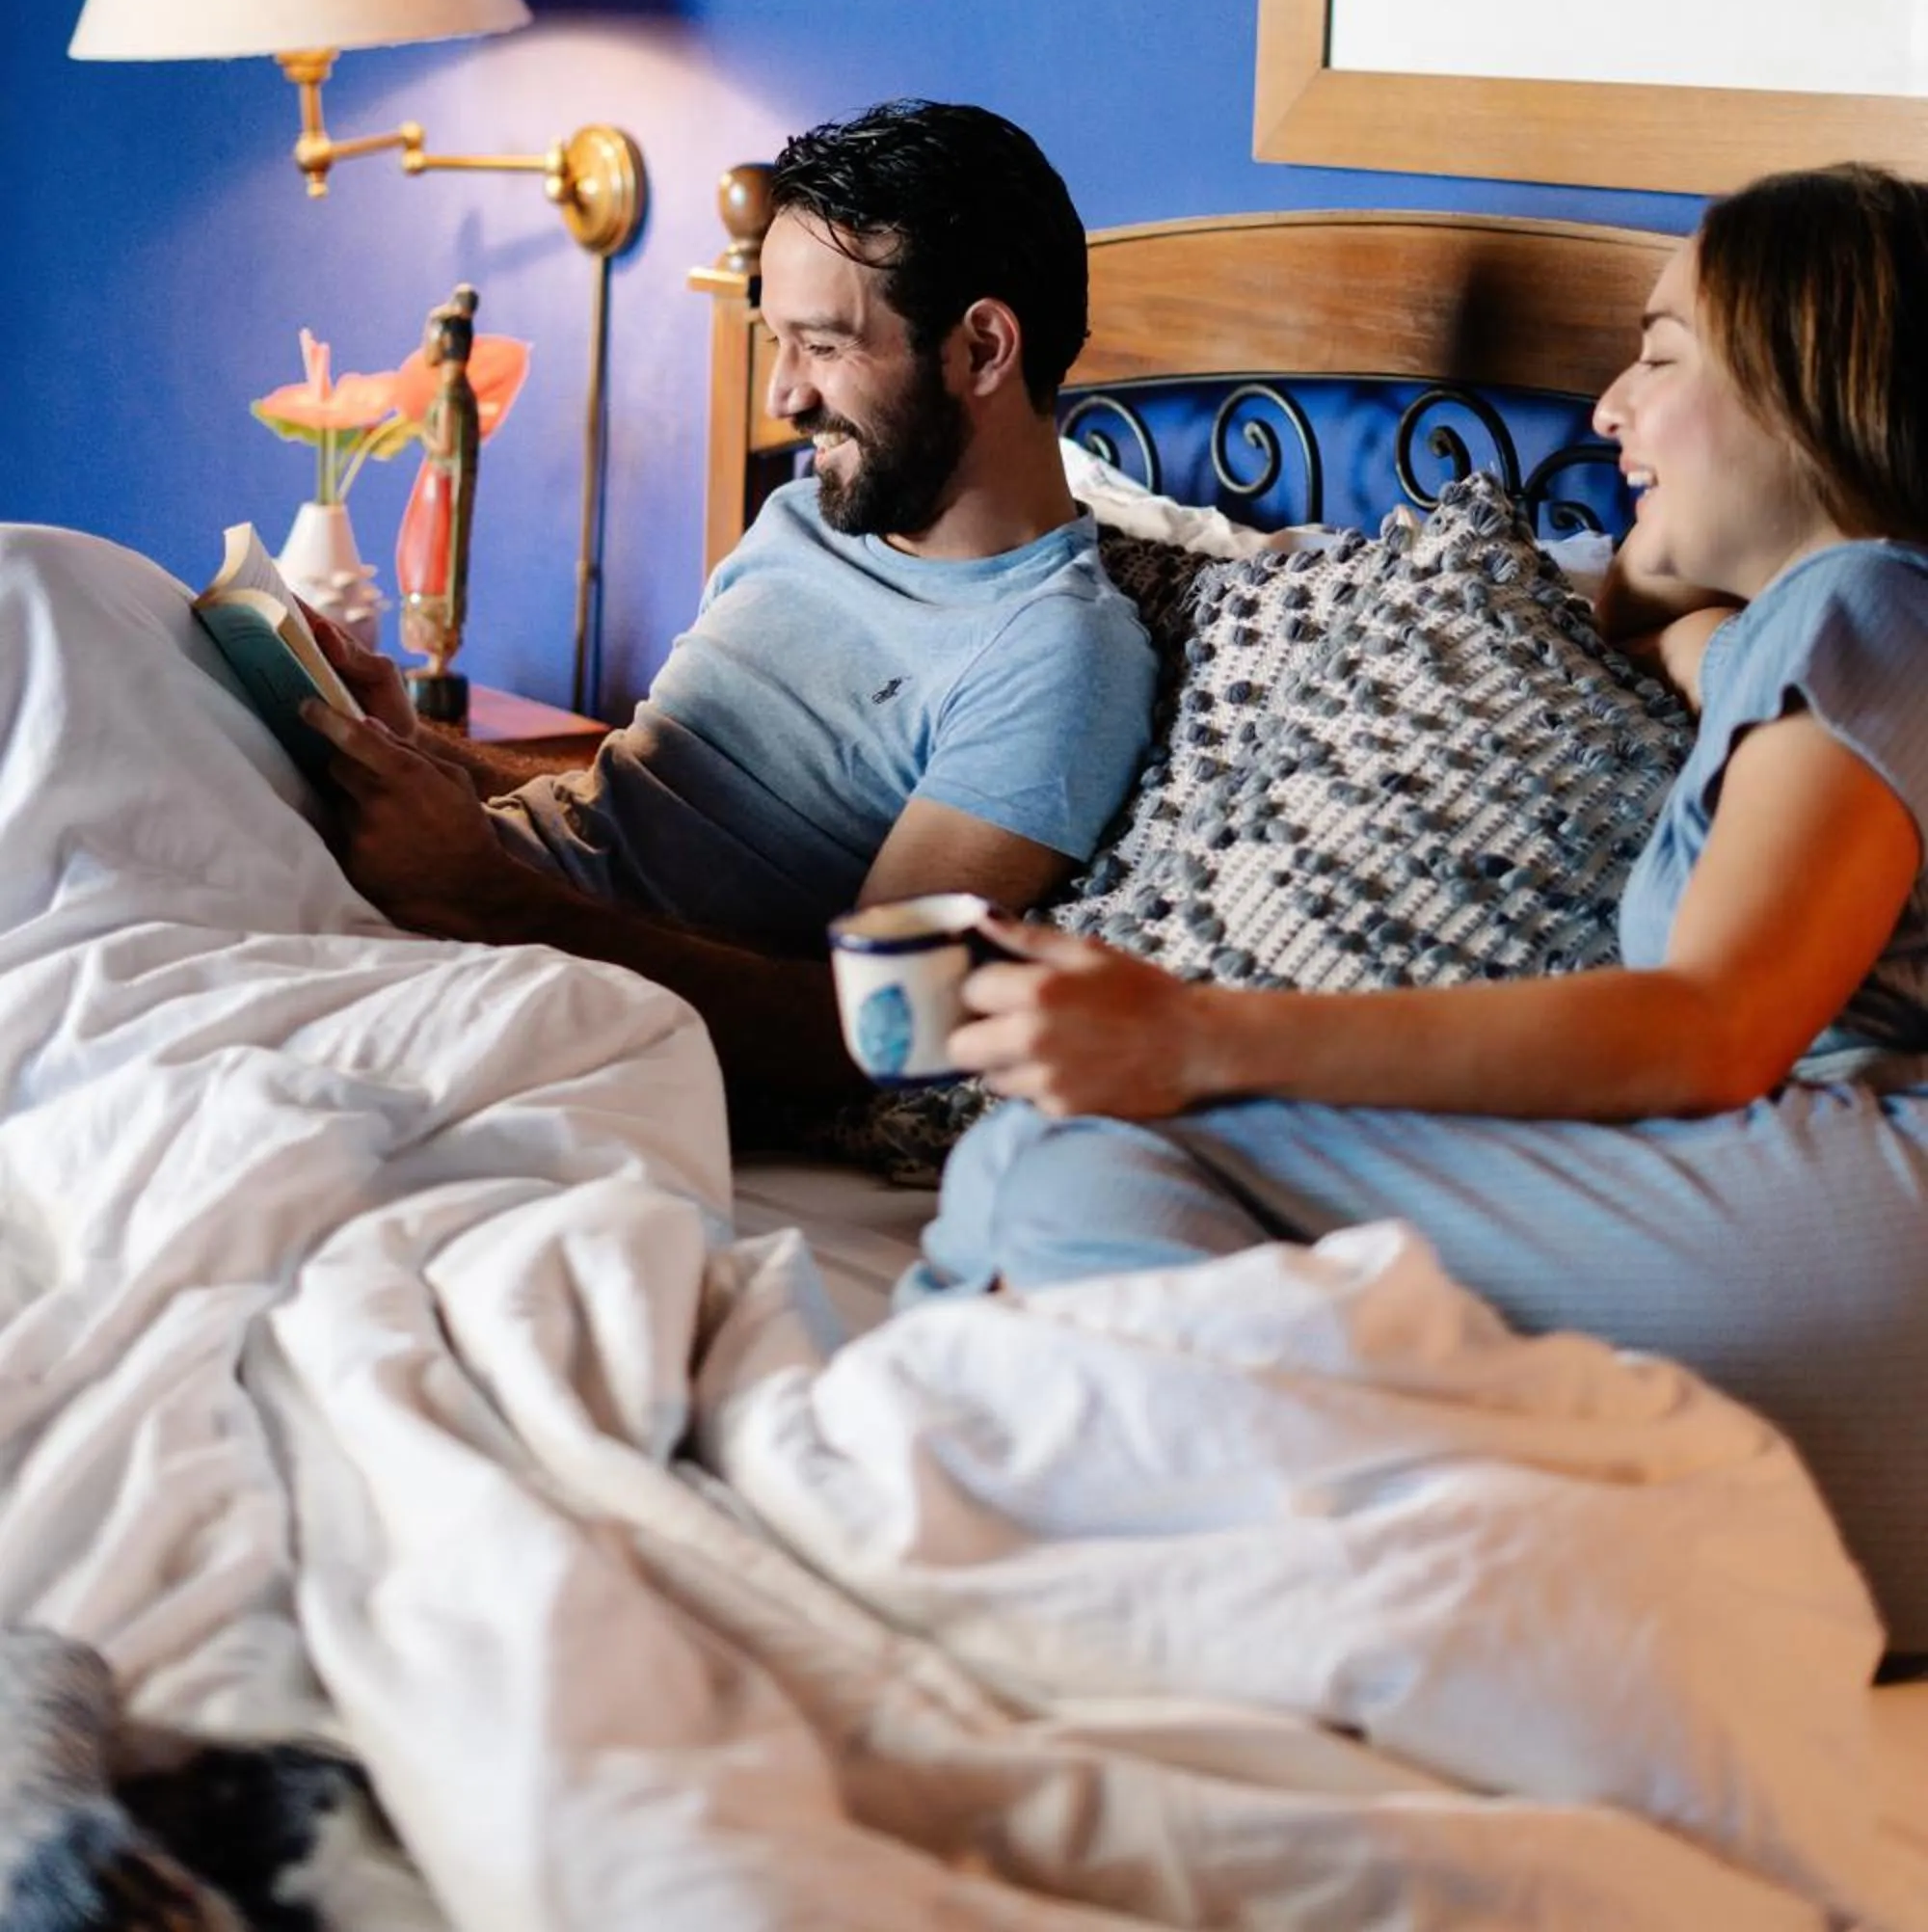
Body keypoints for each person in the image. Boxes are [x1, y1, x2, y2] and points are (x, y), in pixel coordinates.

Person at [907, 164, 1928, 1650]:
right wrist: (1674, 603)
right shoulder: (1831, 634)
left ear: (1802, 373)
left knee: (1068, 1172)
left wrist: (1200, 1035)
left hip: (1874, 1251)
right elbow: (1735, 680)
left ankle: (1423, 1593)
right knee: (1030, 1172)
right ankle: (1289, 1538)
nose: (1606, 413)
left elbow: (1712, 1031)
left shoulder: (1874, 607)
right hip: (1836, 1249)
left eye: (1656, 354)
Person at [306, 99, 1157, 1116]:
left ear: (980, 349)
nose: (781, 399)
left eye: (822, 346)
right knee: (86, 610)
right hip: (462, 906)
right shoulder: (801, 520)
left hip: (551, 1006)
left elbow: (860, 1038)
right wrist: (418, 754)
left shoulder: (1054, 656)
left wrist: (480, 896)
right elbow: (643, 809)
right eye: (774, 343)